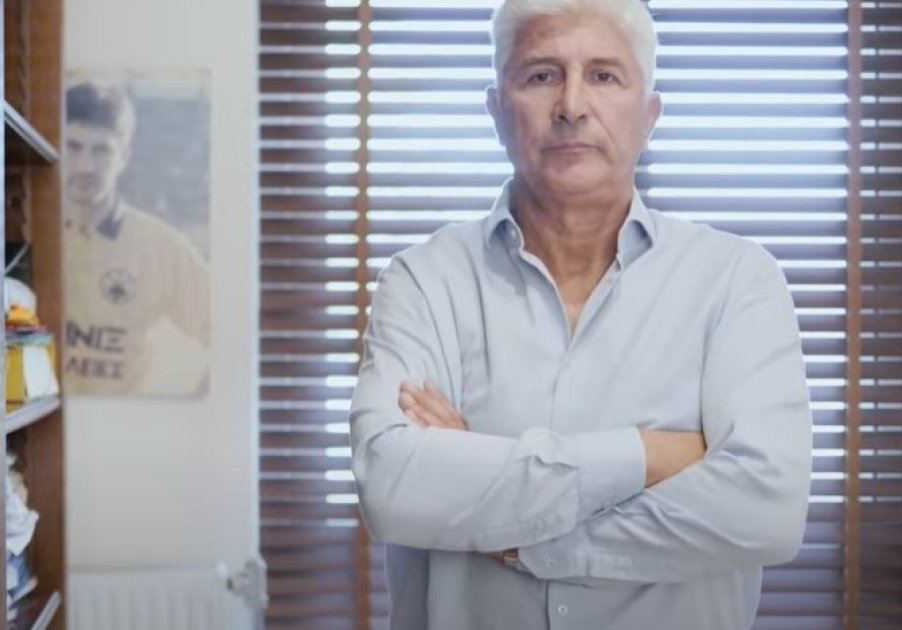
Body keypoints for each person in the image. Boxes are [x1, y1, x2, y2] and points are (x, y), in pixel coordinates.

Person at [348, 0, 813, 628]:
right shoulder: (423, 281)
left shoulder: (736, 281)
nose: (571, 105)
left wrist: (520, 533)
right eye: (541, 75)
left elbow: (765, 510)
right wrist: (648, 456)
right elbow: (393, 488)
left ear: (649, 115)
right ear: (496, 112)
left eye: (603, 75)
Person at [62, 81, 210, 395]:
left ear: (124, 157)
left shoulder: (161, 246)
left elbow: (228, 335)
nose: (85, 166)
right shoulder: (32, 233)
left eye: (101, 151)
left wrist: (190, 409)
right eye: (73, 147)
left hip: (121, 414)